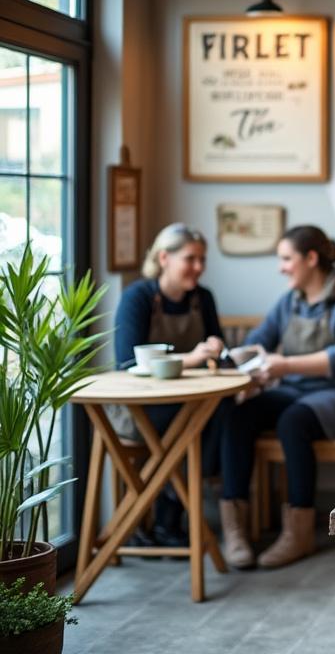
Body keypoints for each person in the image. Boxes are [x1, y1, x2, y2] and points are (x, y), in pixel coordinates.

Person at [217, 226, 335, 569]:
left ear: (311, 259)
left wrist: (284, 365)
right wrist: (225, 356)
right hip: (299, 391)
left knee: (293, 422)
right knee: (239, 414)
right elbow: (259, 340)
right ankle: (235, 530)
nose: (281, 267)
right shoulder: (289, 302)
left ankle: (299, 534)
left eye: (286, 258)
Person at [112, 223, 227, 548]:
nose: (199, 267)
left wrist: (219, 351)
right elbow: (126, 362)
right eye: (190, 259)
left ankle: (166, 513)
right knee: (198, 422)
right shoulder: (138, 298)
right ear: (164, 257)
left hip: (189, 403)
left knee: (220, 412)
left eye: (202, 259)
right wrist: (191, 358)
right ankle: (162, 513)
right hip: (140, 408)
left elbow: (217, 352)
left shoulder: (202, 298)